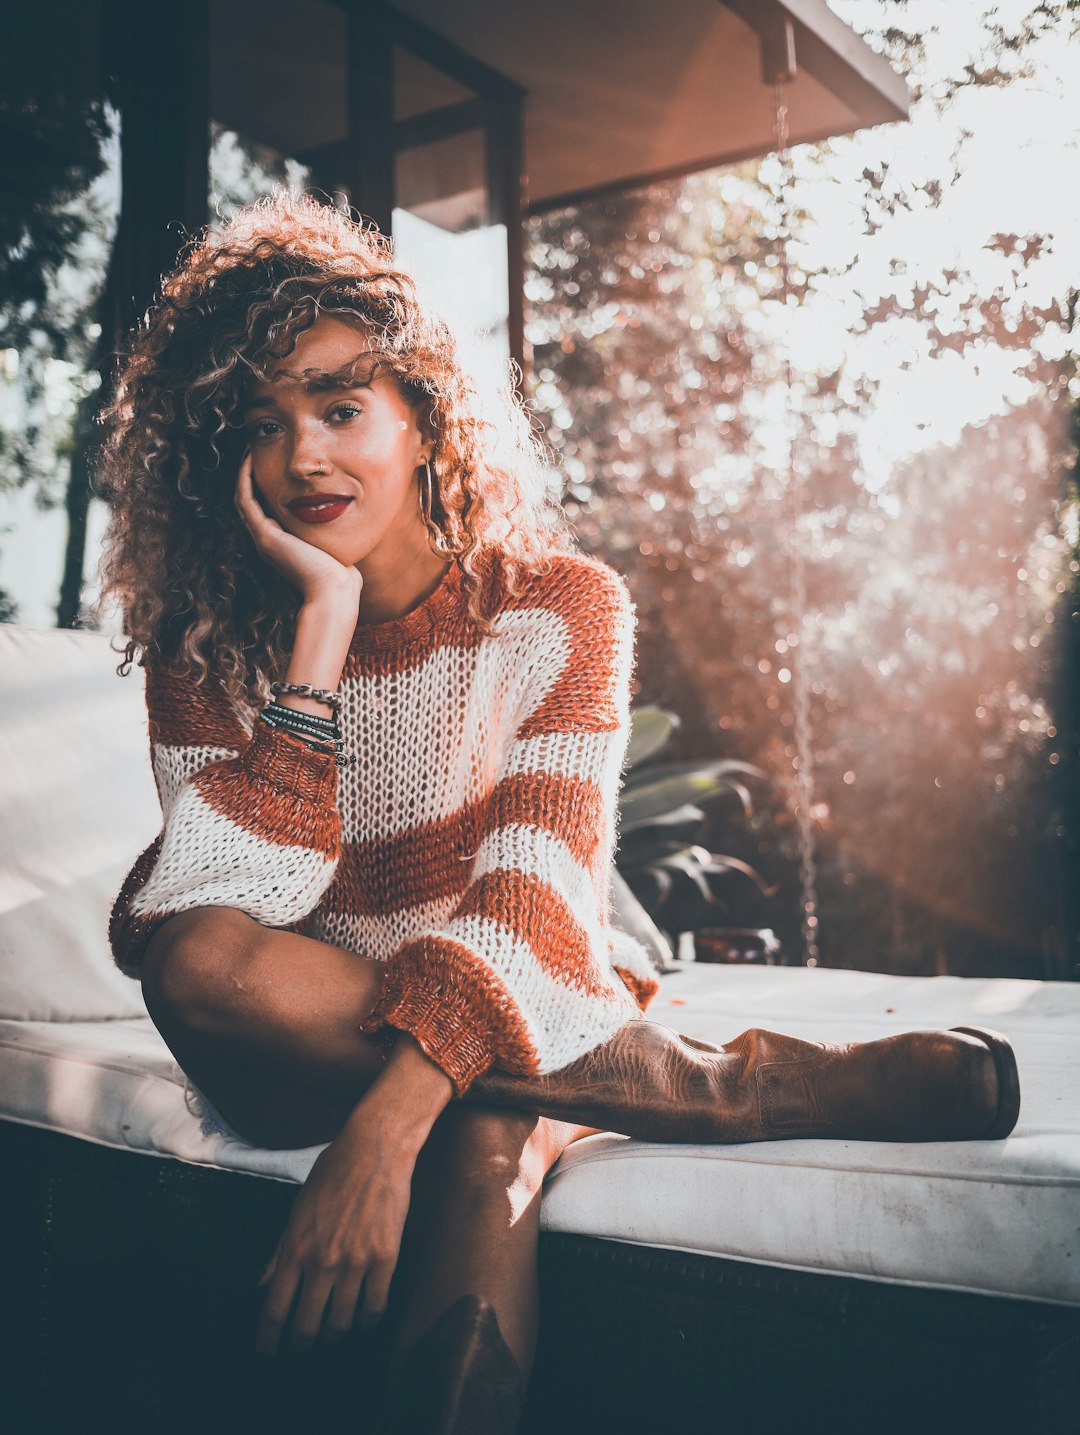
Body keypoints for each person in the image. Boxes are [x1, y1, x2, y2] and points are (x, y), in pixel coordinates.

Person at [93, 190, 1020, 1434]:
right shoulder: (210, 649)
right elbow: (201, 916)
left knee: (485, 1148)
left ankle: (576, 1098)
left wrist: (388, 1130)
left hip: (499, 999)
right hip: (290, 1047)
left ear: (423, 416)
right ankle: (729, 1087)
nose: (303, 455)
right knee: (198, 960)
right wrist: (313, 652)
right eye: (262, 425)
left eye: (340, 405)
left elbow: (535, 898)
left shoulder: (559, 607)